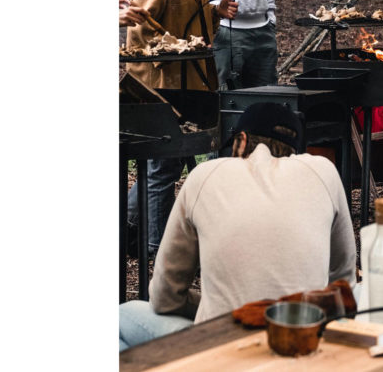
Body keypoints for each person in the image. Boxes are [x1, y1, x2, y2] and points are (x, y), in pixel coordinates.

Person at [118, 102, 357, 351]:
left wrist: (227, 307)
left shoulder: (205, 175)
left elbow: (163, 298)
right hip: (302, 339)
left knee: (123, 315)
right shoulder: (323, 172)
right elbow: (344, 281)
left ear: (241, 141)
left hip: (221, 346)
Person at [125, 0, 239, 254]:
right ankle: (157, 252)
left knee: (169, 167)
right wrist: (164, 67)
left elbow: (189, 25)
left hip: (192, 85)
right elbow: (139, 35)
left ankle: (127, 228)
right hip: (163, 89)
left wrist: (216, 12)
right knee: (162, 170)